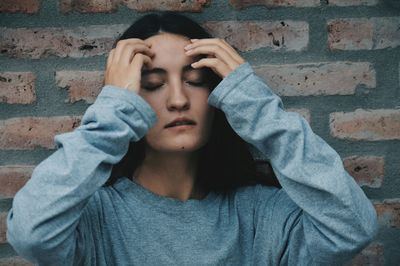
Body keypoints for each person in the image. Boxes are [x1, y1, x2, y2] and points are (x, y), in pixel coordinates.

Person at [6, 12, 377, 265]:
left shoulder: (262, 215)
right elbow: (31, 233)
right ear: (127, 96)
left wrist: (254, 103)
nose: (178, 99)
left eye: (196, 81)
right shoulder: (97, 218)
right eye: (151, 84)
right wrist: (112, 113)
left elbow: (352, 228)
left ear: (219, 95)